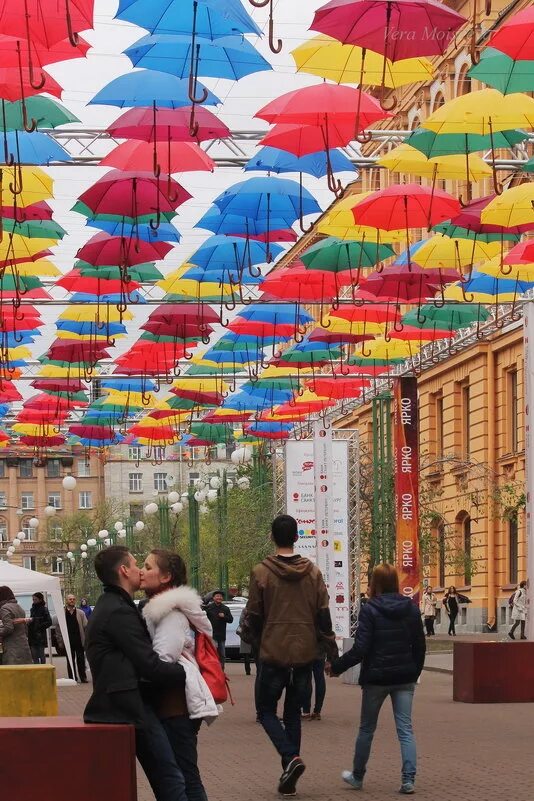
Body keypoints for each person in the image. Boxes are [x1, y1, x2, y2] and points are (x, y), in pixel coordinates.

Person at [84, 545, 188, 801]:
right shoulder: (118, 610)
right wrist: (185, 673)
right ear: (123, 570)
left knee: (169, 777)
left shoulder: (113, 604)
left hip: (122, 703)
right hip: (129, 706)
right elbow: (149, 664)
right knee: (170, 778)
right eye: (135, 565)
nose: (140, 571)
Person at [246, 514, 338, 797]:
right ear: (297, 537)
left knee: (265, 710)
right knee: (293, 714)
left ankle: (290, 758)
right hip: (305, 652)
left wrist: (256, 643)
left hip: (273, 652)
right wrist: (330, 651)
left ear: (272, 537)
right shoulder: (313, 573)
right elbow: (323, 615)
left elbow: (253, 615)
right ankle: (290, 773)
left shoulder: (261, 572)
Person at [326, 564, 426, 796]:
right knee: (405, 729)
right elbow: (420, 645)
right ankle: (408, 779)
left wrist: (337, 667)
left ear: (375, 583)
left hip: (376, 679)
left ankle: (358, 776)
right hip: (404, 678)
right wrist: (414, 670)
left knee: (367, 728)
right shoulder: (411, 609)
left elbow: (360, 648)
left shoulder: (369, 609)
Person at [141, 549, 218, 801]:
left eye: (148, 566)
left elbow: (164, 659)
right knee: (185, 774)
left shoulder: (171, 614)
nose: (142, 571)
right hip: (176, 707)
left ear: (166, 577)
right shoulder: (165, 610)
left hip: (176, 708)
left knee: (186, 777)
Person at [0, 585, 32, 665]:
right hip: (23, 645)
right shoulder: (19, 607)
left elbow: (8, 628)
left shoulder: (4, 608)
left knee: (11, 674)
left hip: (12, 647)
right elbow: (25, 628)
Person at [205, 591, 233, 667]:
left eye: (220, 596)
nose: (219, 598)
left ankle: (221, 670)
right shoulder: (209, 608)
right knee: (213, 653)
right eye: (217, 596)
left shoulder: (225, 608)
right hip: (211, 635)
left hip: (221, 635)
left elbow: (231, 620)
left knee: (222, 654)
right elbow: (203, 619)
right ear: (213, 598)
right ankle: (214, 670)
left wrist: (224, 617)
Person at [65, 593, 88, 682]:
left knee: (81, 659)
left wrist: (86, 639)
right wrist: (60, 641)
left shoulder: (80, 613)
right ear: (66, 600)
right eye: (70, 599)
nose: (72, 600)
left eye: (73, 599)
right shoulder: (63, 613)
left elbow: (86, 626)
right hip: (68, 641)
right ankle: (72, 678)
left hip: (79, 640)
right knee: (70, 660)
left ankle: (83, 677)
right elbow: (59, 628)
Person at [301, 648, 327, 721]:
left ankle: (306, 712)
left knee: (307, 679)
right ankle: (317, 712)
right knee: (320, 679)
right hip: (320, 651)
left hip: (307, 650)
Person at [28, 592, 52, 664]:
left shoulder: (44, 609)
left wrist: (38, 624)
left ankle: (43, 671)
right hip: (32, 635)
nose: (34, 601)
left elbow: (49, 622)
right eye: (33, 599)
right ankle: (36, 672)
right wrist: (30, 622)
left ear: (40, 599)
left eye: (35, 599)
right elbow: (32, 620)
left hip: (40, 636)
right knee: (34, 656)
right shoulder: (32, 609)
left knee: (41, 656)